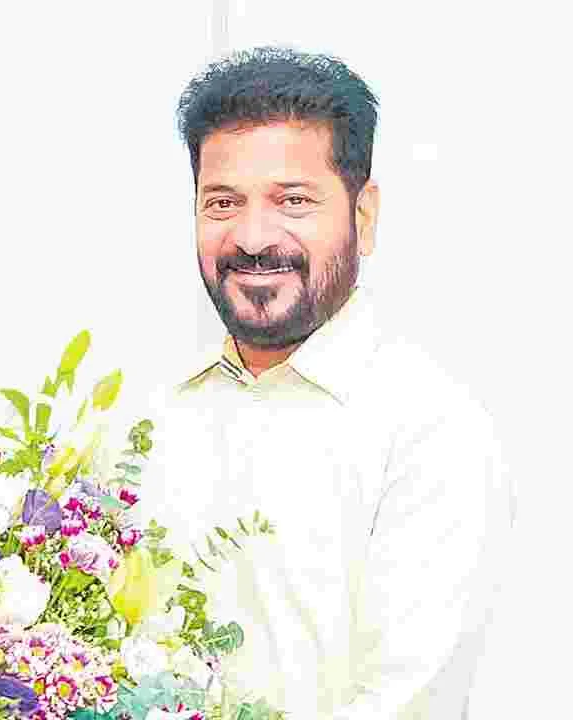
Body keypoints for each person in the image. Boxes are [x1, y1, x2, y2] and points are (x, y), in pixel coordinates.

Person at [140, 47, 514, 717]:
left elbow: (409, 702)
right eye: (222, 202)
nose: (254, 238)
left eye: (293, 201)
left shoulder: (429, 431)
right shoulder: (151, 416)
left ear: (362, 217)